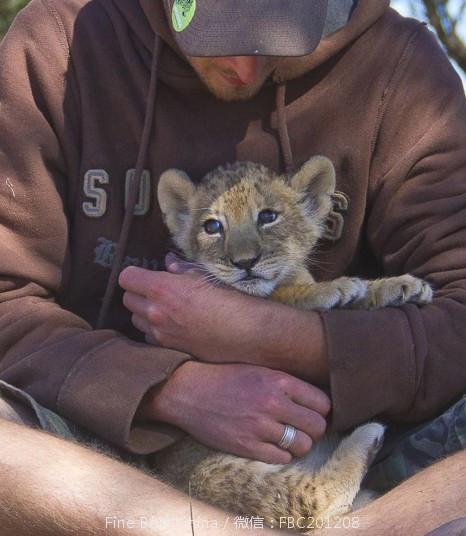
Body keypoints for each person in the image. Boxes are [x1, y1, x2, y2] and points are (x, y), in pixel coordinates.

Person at [0, 0, 464, 533]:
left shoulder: (399, 67)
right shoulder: (57, 43)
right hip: (100, 458)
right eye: (215, 31)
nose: (244, 67)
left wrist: (272, 337)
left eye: (279, 30)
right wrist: (169, 389)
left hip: (360, 448)